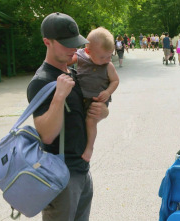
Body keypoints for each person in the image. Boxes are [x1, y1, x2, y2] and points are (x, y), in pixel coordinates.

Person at [27, 12, 109, 220]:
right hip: (60, 175)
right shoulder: (41, 81)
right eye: (66, 44)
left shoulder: (73, 73)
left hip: (81, 169)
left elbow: (86, 114)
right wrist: (58, 97)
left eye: (75, 43)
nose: (73, 49)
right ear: (47, 42)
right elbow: (46, 135)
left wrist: (103, 112)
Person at [67, 27, 119, 162]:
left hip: (98, 99)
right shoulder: (80, 56)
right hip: (82, 97)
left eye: (110, 55)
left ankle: (89, 147)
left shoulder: (108, 66)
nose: (108, 59)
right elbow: (66, 62)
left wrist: (107, 92)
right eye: (103, 57)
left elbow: (115, 81)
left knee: (90, 122)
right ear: (88, 51)